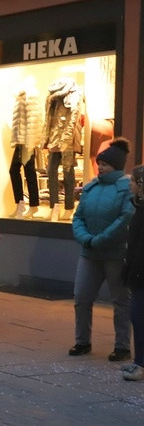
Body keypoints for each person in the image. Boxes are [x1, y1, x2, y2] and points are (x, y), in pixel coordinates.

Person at [69, 137, 134, 360]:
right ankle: (82, 341)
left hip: (116, 255)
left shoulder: (126, 187)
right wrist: (86, 238)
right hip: (89, 253)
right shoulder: (91, 187)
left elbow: (126, 218)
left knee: (121, 301)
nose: (100, 167)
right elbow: (78, 217)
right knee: (81, 297)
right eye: (99, 163)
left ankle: (122, 346)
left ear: (115, 166)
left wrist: (101, 239)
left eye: (104, 164)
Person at [121, 164, 144, 380]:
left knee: (139, 316)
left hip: (141, 273)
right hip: (137, 271)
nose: (130, 184)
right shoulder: (139, 206)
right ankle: (139, 362)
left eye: (133, 181)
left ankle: (141, 365)